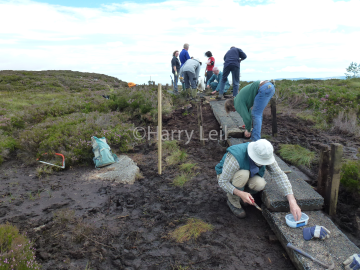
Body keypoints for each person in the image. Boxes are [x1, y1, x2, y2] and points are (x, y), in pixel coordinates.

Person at [215, 139, 302, 219]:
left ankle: (244, 196)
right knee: (243, 174)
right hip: (227, 177)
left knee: (260, 183)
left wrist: (292, 201)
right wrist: (240, 193)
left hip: (247, 176)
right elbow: (222, 182)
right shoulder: (236, 157)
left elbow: (279, 175)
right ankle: (233, 200)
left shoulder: (265, 154)